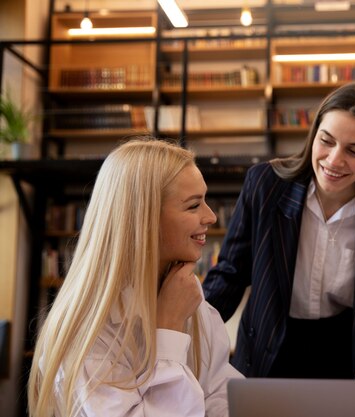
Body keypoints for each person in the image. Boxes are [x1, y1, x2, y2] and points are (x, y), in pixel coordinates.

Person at [202, 82, 355, 378]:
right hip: (269, 345)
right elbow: (231, 272)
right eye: (326, 141)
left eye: (354, 151)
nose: (334, 160)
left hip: (349, 350)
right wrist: (184, 328)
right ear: (314, 132)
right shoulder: (266, 184)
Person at [28, 138, 242, 417]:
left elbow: (218, 396)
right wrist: (169, 329)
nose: (211, 217)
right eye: (193, 206)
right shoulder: (89, 329)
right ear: (144, 218)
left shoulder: (186, 292)